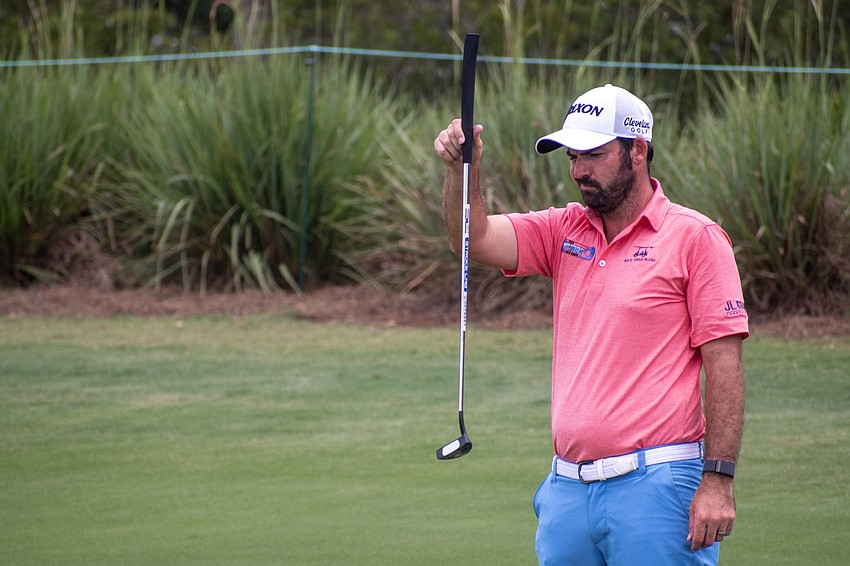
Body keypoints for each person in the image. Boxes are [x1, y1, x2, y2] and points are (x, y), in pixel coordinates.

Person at [433, 84, 748, 565]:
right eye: (572, 156)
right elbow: (471, 240)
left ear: (637, 151)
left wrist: (719, 481)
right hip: (567, 491)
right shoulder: (565, 229)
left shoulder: (696, 239)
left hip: (657, 487)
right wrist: (461, 170)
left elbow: (724, 366)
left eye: (594, 155)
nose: (579, 170)